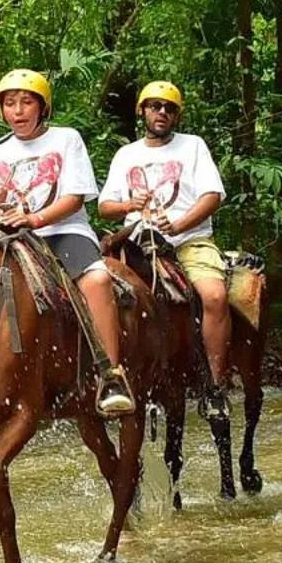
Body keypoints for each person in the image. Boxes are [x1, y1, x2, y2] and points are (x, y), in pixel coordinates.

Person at [0, 69, 137, 417]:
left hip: (62, 232)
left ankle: (111, 375)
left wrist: (34, 219)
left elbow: (75, 197)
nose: (18, 111)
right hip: (9, 237)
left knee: (98, 279)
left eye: (26, 102)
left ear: (42, 107)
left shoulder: (66, 139)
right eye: (10, 104)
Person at [97, 80, 232, 402]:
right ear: (142, 110)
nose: (162, 112)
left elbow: (212, 195)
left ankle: (215, 384)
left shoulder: (193, 145)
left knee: (214, 296)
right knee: (100, 292)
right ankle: (107, 376)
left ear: (176, 116)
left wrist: (179, 224)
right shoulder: (126, 154)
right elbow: (105, 207)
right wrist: (131, 205)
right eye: (155, 106)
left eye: (169, 108)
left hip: (188, 240)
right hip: (135, 240)